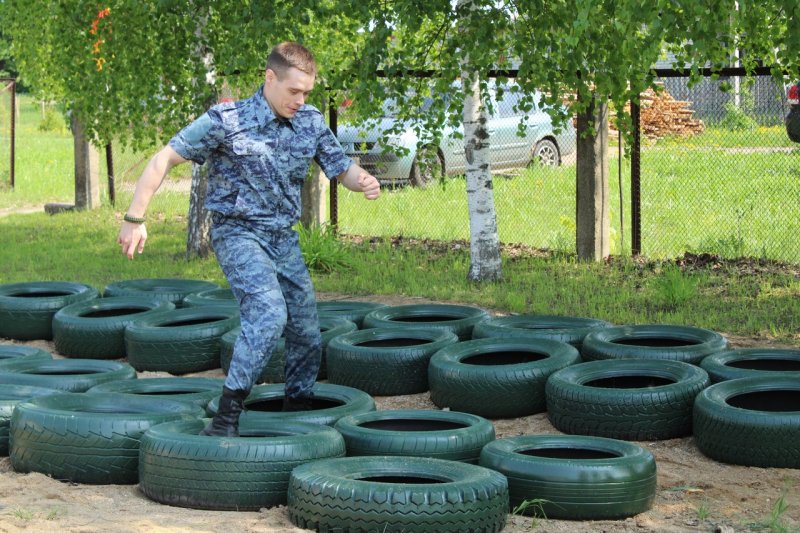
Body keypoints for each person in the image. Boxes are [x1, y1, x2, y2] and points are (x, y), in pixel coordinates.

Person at [117, 42, 381, 437]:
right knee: (269, 314)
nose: (301, 99)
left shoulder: (309, 121)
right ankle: (226, 416)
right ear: (269, 78)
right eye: (294, 91)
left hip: (282, 237)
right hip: (237, 232)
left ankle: (297, 410)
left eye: (307, 92)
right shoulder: (228, 119)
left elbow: (340, 168)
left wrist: (363, 180)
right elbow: (163, 158)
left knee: (307, 329)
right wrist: (135, 217)